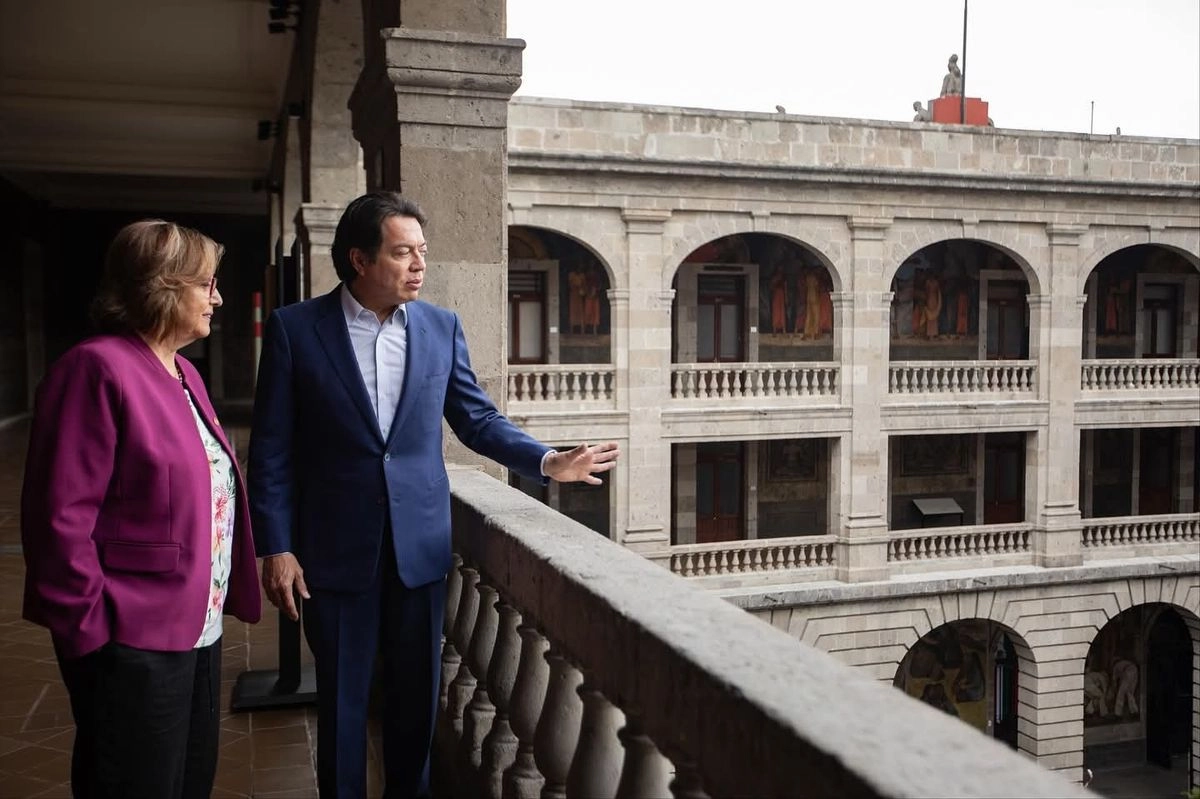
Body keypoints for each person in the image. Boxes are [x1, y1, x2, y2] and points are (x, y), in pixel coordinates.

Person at [248, 191, 620, 798]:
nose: (419, 265)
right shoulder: (296, 329)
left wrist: (548, 460)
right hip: (333, 554)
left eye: (422, 252)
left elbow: (477, 420)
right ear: (359, 260)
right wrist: (277, 545)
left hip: (418, 552)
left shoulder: (440, 327)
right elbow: (271, 450)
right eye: (403, 253)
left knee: (415, 707)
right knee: (341, 708)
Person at [21, 220, 262, 798]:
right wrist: (94, 640)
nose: (218, 297)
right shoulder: (96, 368)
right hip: (131, 638)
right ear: (163, 286)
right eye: (207, 284)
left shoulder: (186, 372)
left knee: (188, 782)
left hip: (195, 627)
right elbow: (58, 521)